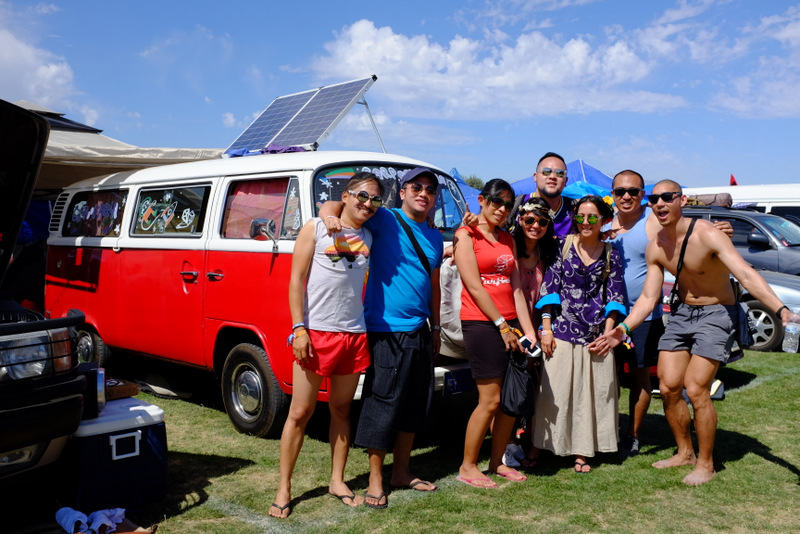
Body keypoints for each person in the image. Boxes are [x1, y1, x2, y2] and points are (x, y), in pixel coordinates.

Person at [589, 179, 794, 486]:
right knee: (669, 386)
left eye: (667, 197)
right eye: (655, 199)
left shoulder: (707, 234)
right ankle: (685, 452)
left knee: (696, 388)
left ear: (681, 200)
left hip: (718, 313)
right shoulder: (656, 246)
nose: (660, 203)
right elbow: (648, 298)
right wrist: (623, 329)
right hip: (683, 313)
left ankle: (706, 464)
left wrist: (781, 310)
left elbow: (746, 274)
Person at [321, 167, 444, 509]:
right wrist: (328, 216)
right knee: (382, 404)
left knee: (414, 405)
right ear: (402, 192)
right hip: (386, 329)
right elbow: (338, 205)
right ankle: (375, 479)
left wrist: (435, 328)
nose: (423, 193)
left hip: (420, 329)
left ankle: (401, 472)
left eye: (429, 189)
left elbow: (432, 285)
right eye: (416, 187)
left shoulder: (435, 236)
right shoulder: (385, 218)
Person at [270, 172, 383, 519]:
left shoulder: (369, 235)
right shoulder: (316, 228)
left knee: (342, 410)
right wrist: (299, 328)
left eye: (375, 199)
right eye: (362, 196)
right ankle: (284, 487)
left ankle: (337, 480)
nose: (368, 204)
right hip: (316, 333)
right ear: (346, 195)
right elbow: (296, 280)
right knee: (300, 412)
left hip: (354, 334)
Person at [454, 179, 538, 488]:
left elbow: (516, 288)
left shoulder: (507, 238)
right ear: (481, 200)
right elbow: (474, 286)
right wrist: (502, 325)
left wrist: (528, 331)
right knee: (489, 400)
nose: (502, 209)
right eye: (496, 202)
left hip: (511, 325)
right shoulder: (466, 234)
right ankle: (468, 466)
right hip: (482, 324)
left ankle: (496, 462)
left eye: (507, 205)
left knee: (509, 400)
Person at [534, 195, 626, 473]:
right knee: (554, 393)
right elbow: (549, 289)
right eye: (580, 217)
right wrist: (546, 329)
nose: (586, 222)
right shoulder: (561, 246)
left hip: (595, 336)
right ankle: (541, 445)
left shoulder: (611, 253)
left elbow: (615, 297)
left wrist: (607, 336)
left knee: (591, 396)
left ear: (603, 220)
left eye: (593, 217)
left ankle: (582, 451)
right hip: (561, 332)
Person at [606, 170, 665, 456]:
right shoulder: (605, 223)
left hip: (645, 317)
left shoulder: (653, 221)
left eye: (633, 191)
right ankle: (607, 430)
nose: (626, 196)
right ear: (613, 194)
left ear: (643, 194)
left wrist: (719, 227)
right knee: (608, 376)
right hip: (609, 316)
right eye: (620, 191)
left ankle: (632, 434)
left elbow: (686, 229)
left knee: (640, 377)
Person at [510, 197, 558, 468]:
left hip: (539, 326)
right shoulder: (509, 246)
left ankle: (528, 437)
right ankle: (507, 442)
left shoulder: (549, 251)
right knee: (511, 385)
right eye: (530, 220)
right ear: (520, 219)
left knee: (533, 384)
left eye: (542, 221)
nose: (535, 226)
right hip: (512, 325)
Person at [529, 152, 575, 237]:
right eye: (546, 171)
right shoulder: (516, 206)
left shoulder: (575, 210)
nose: (552, 176)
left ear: (566, 180)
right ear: (535, 176)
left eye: (560, 173)